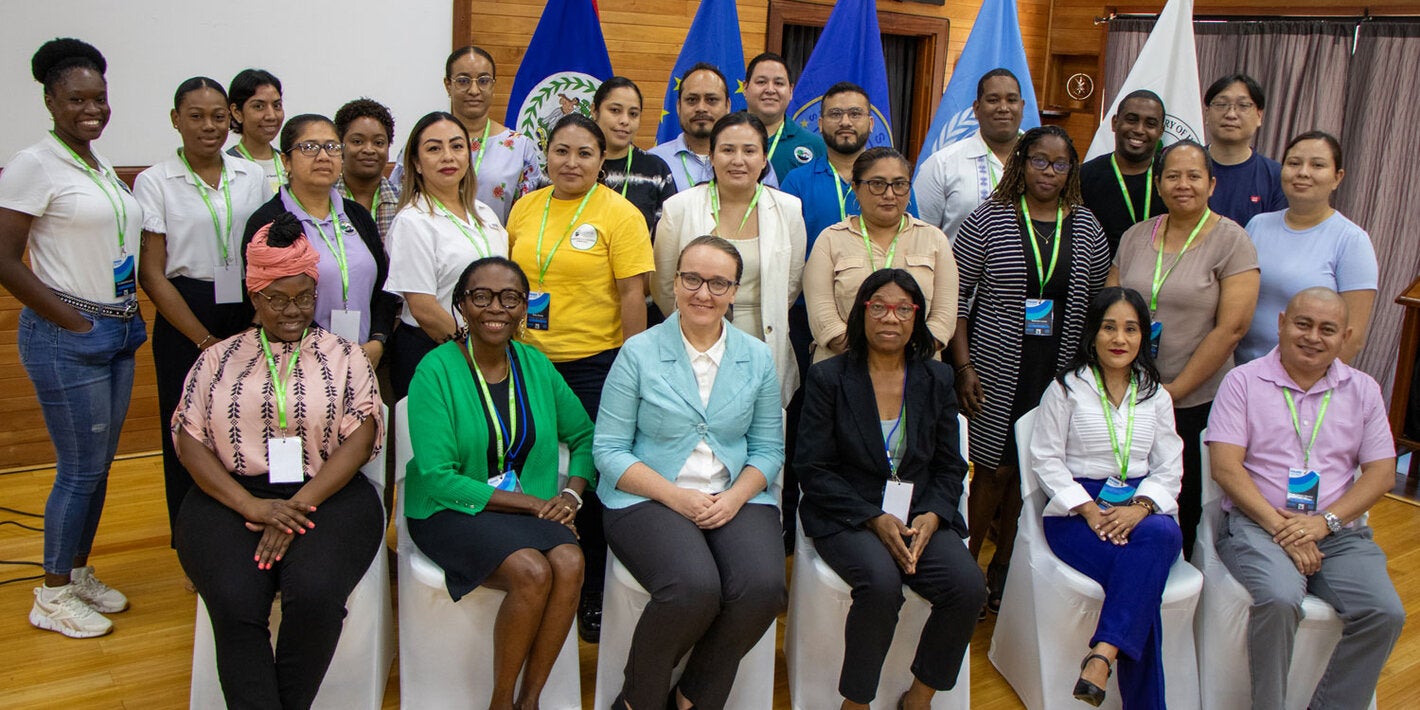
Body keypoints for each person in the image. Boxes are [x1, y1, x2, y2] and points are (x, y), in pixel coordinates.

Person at [172, 214, 385, 709]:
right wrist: (252, 506)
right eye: (278, 299)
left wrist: (296, 508)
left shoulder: (347, 356)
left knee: (315, 595)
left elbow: (361, 436)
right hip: (231, 497)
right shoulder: (217, 359)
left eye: (304, 298)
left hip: (328, 495)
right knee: (234, 601)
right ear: (255, 296)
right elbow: (189, 438)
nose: (293, 311)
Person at [594, 236, 786, 710]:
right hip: (649, 496)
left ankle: (693, 697)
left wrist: (735, 498)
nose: (703, 293)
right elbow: (609, 451)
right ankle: (637, 701)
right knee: (692, 589)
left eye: (718, 283)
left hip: (733, 493)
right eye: (692, 279)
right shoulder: (638, 352)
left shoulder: (757, 356)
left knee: (763, 588)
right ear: (674, 283)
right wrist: (676, 497)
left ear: (734, 290)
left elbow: (768, 450)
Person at [404, 257, 594, 710]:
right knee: (532, 571)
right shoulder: (435, 370)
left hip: (526, 506)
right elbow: (438, 477)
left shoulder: (535, 365)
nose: (496, 308)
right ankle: (501, 701)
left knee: (570, 560)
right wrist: (534, 505)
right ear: (461, 304)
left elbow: (585, 436)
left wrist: (571, 494)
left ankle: (531, 699)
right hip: (450, 508)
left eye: (510, 298)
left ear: (524, 308)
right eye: (481, 296)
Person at [0, 38, 143, 638]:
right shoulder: (34, 164)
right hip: (69, 335)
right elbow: (5, 258)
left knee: (99, 465)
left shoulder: (96, 163)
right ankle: (52, 594)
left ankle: (77, 571)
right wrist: (73, 321)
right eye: (77, 99)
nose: (92, 109)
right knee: (79, 469)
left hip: (118, 327)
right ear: (50, 101)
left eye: (99, 98)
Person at [1206, 287, 1405, 710]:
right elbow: (1225, 467)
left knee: (1385, 613)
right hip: (1259, 525)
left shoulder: (1363, 390)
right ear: (1281, 324)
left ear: (1345, 337)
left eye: (1327, 329)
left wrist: (1322, 524)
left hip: (1337, 532)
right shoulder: (1243, 381)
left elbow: (1382, 473)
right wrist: (1284, 528)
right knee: (1280, 598)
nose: (1313, 337)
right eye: (1303, 324)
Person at [797, 269, 983, 710]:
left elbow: (950, 465)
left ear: (917, 317)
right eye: (878, 306)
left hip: (919, 513)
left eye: (903, 309)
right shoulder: (828, 378)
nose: (890, 318)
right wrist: (873, 518)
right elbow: (813, 469)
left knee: (968, 586)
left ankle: (919, 697)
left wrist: (933, 515)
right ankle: (856, 703)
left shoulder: (936, 379)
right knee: (880, 584)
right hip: (847, 514)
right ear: (861, 313)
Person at [950, 125, 1110, 614]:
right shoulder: (989, 218)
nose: (1049, 172)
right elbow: (956, 299)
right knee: (992, 470)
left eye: (1060, 164)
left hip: (1058, 371)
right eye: (1039, 160)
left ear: (1071, 171)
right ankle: (966, 569)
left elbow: (1098, 302)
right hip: (993, 367)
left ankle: (1005, 570)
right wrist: (963, 366)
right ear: (1021, 162)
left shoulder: (1086, 226)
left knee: (1032, 472)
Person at [506, 113, 654, 642]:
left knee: (590, 476)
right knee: (525, 463)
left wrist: (633, 366)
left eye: (584, 153)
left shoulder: (621, 214)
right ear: (546, 155)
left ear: (602, 158)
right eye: (561, 151)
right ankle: (532, 566)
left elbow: (633, 295)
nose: (571, 162)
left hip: (594, 364)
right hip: (526, 361)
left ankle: (591, 588)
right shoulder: (526, 207)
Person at [1030, 286, 1185, 708]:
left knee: (1161, 537)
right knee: (1141, 581)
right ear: (1092, 333)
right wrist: (1087, 509)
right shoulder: (1065, 389)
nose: (1120, 339)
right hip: (1077, 511)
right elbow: (1045, 459)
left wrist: (1140, 508)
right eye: (1109, 328)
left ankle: (1102, 654)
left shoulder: (1155, 394)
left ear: (1143, 336)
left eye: (1131, 329)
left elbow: (1170, 465)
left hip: (1140, 506)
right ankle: (1117, 673)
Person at [1110, 139, 1259, 559]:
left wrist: (1174, 391)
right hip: (1129, 392)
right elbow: (1111, 309)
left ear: (1211, 184)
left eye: (1194, 176)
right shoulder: (1136, 236)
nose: (1183, 184)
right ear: (1158, 184)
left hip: (1194, 399)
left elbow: (1232, 328)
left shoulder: (1232, 241)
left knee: (1184, 495)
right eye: (1173, 175)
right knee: (1125, 481)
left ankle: (1180, 574)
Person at [136, 76, 269, 543]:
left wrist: (258, 316)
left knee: (248, 418)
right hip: (186, 310)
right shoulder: (155, 181)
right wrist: (204, 341)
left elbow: (266, 249)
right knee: (187, 428)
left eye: (217, 116)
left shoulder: (251, 176)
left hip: (248, 307)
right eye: (196, 116)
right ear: (176, 120)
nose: (209, 126)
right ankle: (192, 536)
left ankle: (247, 524)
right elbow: (152, 274)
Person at [653, 112, 805, 405]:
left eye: (749, 151)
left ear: (764, 159)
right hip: (694, 338)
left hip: (763, 341)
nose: (738, 160)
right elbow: (663, 285)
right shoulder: (679, 207)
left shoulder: (788, 209)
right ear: (711, 156)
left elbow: (790, 283)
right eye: (727, 150)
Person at [242, 114, 397, 370]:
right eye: (309, 147)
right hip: (300, 360)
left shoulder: (356, 215)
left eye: (332, 147)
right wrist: (332, 351)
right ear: (286, 161)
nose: (323, 156)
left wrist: (378, 341)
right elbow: (273, 302)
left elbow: (384, 284)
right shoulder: (269, 222)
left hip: (365, 357)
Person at [384, 111, 510, 400]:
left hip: (487, 349)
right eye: (434, 148)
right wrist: (474, 353)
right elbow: (423, 308)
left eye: (457, 146)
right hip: (434, 350)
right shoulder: (412, 221)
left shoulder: (485, 214)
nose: (448, 157)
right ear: (416, 163)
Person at [805, 147, 957, 363]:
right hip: (843, 366)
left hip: (917, 367)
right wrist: (875, 359)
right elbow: (824, 319)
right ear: (856, 188)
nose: (889, 194)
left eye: (899, 184)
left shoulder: (934, 240)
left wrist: (900, 360)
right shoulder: (830, 240)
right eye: (877, 184)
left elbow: (943, 318)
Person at [1238, 131, 1377, 365]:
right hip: (1241, 372)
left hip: (1303, 377)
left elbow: (1352, 339)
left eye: (1317, 165)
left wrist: (1306, 380)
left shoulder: (1352, 240)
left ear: (1337, 177)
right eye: (1294, 163)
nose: (1303, 172)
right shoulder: (1257, 225)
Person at [392, 46, 543, 223]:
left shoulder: (519, 147)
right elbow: (400, 200)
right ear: (448, 85)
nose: (474, 90)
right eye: (463, 81)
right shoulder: (424, 142)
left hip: (496, 239)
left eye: (483, 81)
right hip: (430, 239)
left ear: (493, 85)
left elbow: (527, 215)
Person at [913, 68, 1025, 242]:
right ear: (976, 108)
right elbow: (918, 237)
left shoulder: (1044, 164)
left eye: (1011, 100)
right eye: (993, 100)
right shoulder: (942, 164)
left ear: (1022, 106)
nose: (1003, 108)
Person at [1079, 90, 1168, 256]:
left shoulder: (1172, 178)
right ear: (1114, 123)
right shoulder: (1083, 177)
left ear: (1161, 131)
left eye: (1150, 124)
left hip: (1161, 270)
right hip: (1101, 271)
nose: (1139, 130)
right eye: (1132, 120)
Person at [595, 76, 676, 236]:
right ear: (594, 111)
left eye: (633, 114)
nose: (625, 121)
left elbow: (665, 237)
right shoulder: (572, 165)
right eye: (615, 110)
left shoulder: (656, 170)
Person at [1203, 73, 1286, 226]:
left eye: (1243, 106)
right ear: (1207, 114)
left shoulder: (1276, 176)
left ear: (1259, 116)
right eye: (1221, 104)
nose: (1231, 114)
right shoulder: (1186, 167)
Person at [648, 62, 735, 192]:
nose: (701, 108)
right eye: (692, 100)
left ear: (727, 106)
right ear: (678, 106)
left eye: (711, 100)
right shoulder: (653, 161)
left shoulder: (748, 161)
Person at [743, 52, 826, 184]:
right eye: (761, 82)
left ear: (791, 91)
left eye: (779, 83)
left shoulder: (815, 146)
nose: (770, 90)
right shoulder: (723, 137)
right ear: (745, 88)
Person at [333, 98, 400, 240]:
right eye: (357, 141)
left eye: (378, 143)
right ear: (340, 146)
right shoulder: (324, 200)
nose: (369, 150)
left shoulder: (405, 202)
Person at [226, 68, 285, 194]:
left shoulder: (290, 163)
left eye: (276, 106)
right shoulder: (226, 166)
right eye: (259, 106)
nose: (271, 116)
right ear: (236, 112)